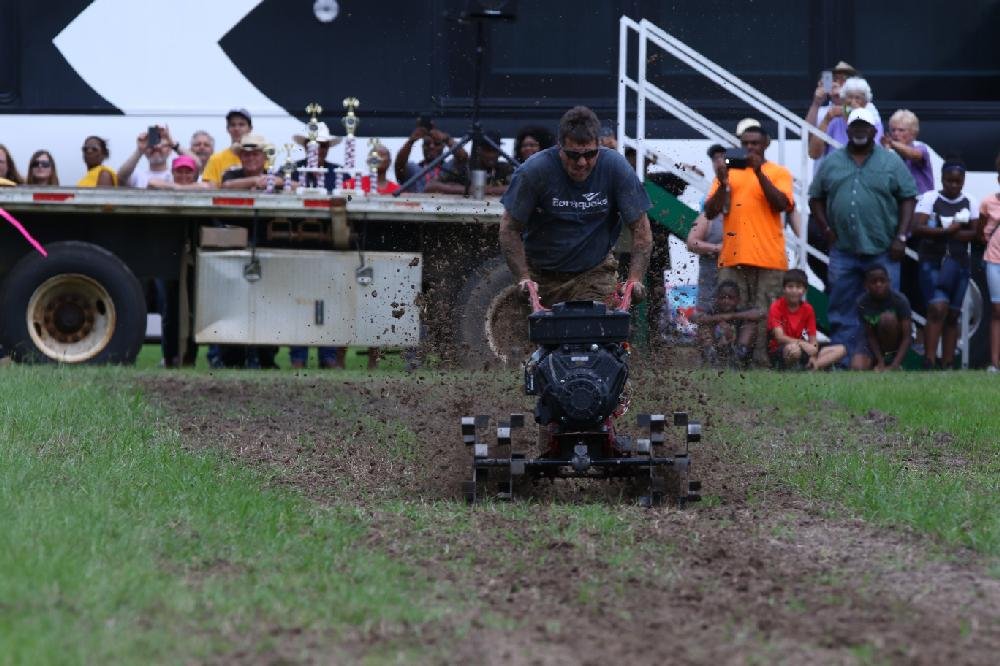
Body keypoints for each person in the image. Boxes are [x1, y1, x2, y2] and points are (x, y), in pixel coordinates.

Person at [498, 105, 653, 310]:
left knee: (596, 333)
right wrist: (523, 278)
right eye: (573, 155)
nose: (581, 163)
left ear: (598, 145)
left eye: (590, 154)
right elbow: (509, 228)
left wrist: (634, 279)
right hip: (540, 274)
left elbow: (641, 229)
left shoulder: (616, 167)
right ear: (559, 146)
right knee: (539, 337)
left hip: (593, 273)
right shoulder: (534, 171)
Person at [809, 106, 917, 365]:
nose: (859, 132)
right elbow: (816, 198)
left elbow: (908, 198)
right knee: (841, 306)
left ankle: (887, 363)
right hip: (843, 249)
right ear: (848, 131)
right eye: (855, 127)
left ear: (873, 130)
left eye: (864, 127)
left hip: (883, 249)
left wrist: (901, 237)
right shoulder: (832, 161)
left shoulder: (890, 161)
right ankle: (843, 361)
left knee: (888, 309)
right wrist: (825, 228)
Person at [703, 122, 794, 361]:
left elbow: (782, 205)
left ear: (766, 144)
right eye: (745, 143)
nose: (750, 147)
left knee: (766, 314)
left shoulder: (779, 172)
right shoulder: (728, 173)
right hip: (734, 255)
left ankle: (762, 364)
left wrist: (759, 172)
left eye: (755, 143)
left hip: (769, 257)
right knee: (730, 312)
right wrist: (722, 182)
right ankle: (730, 361)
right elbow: (711, 212)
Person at [911, 158, 980, 369]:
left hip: (959, 263)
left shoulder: (970, 200)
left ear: (963, 181)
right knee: (937, 308)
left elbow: (974, 233)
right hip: (933, 262)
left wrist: (948, 233)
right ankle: (930, 360)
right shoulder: (930, 198)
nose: (953, 185)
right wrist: (947, 232)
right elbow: (917, 227)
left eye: (958, 182)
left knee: (953, 313)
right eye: (949, 181)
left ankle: (948, 362)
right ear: (942, 179)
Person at [767, 268, 846, 370]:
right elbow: (779, 337)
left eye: (798, 287)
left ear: (804, 290)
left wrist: (813, 355)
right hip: (781, 349)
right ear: (784, 289)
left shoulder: (808, 309)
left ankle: (813, 366)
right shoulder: (776, 306)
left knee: (841, 349)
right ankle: (793, 369)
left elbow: (812, 338)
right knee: (794, 349)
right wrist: (802, 343)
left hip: (802, 347)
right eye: (790, 287)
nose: (794, 291)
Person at [686, 144, 726, 312]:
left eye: (723, 157)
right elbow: (691, 242)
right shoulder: (708, 203)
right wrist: (718, 248)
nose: (719, 162)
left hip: (738, 274)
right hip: (712, 273)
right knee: (705, 315)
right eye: (715, 159)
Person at [809, 77, 884, 162]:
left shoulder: (874, 122)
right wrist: (826, 119)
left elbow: (871, 154)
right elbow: (813, 154)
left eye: (857, 98)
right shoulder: (834, 120)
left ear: (866, 103)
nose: (852, 102)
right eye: (849, 97)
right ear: (843, 100)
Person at [690, 280, 763, 368]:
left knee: (751, 325)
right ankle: (711, 360)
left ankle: (738, 360)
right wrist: (719, 319)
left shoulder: (742, 311)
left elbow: (761, 314)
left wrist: (731, 316)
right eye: (723, 297)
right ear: (717, 299)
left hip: (737, 355)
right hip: (717, 353)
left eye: (730, 298)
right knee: (703, 327)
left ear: (738, 300)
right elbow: (693, 317)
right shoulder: (712, 311)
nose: (726, 301)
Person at [855, 264, 913, 371]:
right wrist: (880, 360)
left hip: (897, 342)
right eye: (874, 282)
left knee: (887, 319)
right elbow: (870, 335)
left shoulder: (900, 300)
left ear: (889, 282)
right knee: (857, 367)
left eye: (882, 281)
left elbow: (907, 337)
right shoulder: (862, 303)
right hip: (875, 342)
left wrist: (895, 364)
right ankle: (879, 363)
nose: (878, 284)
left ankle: (892, 362)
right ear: (866, 285)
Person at [425, 130, 513, 195]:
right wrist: (466, 190)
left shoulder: (505, 168)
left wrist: (486, 191)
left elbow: (518, 188)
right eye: (487, 150)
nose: (491, 155)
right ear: (479, 150)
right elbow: (430, 186)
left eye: (494, 150)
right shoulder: (464, 166)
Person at [394, 119, 467, 193]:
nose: (431, 146)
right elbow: (399, 165)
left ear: (443, 146)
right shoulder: (413, 169)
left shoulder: (449, 166)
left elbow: (463, 158)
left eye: (437, 144)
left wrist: (447, 139)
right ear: (422, 147)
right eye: (427, 144)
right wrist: (411, 141)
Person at [979, 153, 1000, 373]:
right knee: (996, 310)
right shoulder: (988, 202)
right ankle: (995, 363)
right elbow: (981, 230)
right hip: (994, 261)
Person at [117, 126, 189, 188]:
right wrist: (139, 150)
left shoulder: (181, 175)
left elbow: (197, 166)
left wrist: (174, 144)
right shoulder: (137, 175)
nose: (156, 147)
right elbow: (120, 177)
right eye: (151, 145)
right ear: (145, 151)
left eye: (162, 145)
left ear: (170, 150)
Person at [882, 110, 934, 195]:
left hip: (921, 203)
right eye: (893, 130)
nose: (896, 134)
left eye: (901, 130)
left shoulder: (920, 147)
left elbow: (913, 154)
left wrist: (891, 143)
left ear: (913, 133)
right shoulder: (888, 151)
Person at [201, 108, 253, 187]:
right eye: (233, 125)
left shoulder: (260, 157)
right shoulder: (216, 159)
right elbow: (210, 188)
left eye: (241, 124)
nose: (236, 128)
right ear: (227, 129)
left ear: (250, 129)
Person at [290, 121, 342, 192]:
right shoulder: (292, 167)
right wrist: (287, 183)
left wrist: (346, 199)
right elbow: (273, 180)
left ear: (328, 147)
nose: (317, 150)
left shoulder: (339, 172)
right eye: (312, 145)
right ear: (305, 146)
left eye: (323, 146)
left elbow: (350, 197)